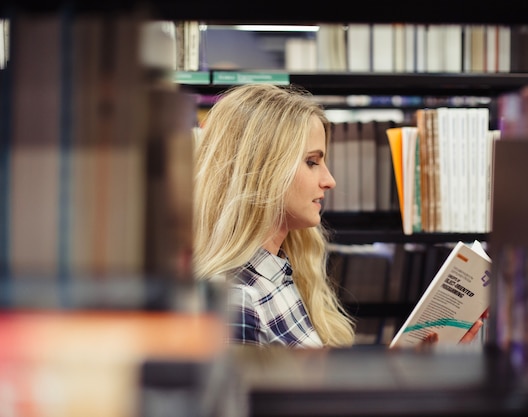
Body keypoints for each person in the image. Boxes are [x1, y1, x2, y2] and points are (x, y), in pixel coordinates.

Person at [193, 83, 484, 348]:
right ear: (262, 170)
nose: (330, 180)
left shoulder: (282, 270)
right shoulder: (235, 300)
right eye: (311, 162)